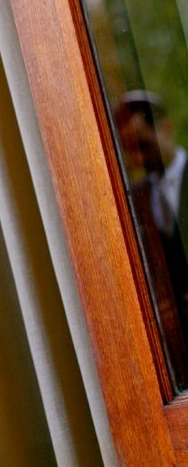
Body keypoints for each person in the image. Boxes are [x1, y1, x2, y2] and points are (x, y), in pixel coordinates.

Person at [115, 90, 188, 390]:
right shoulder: (135, 201)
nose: (140, 158)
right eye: (132, 150)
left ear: (166, 128)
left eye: (144, 145)